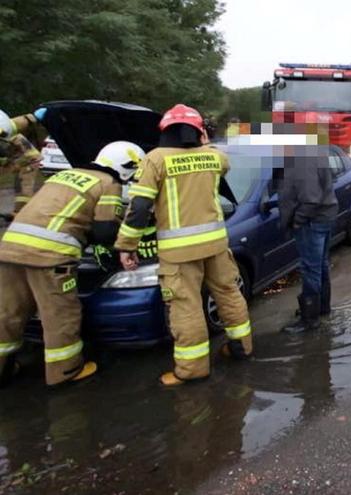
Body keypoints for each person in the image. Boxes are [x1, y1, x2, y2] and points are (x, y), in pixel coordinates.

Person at [114, 104, 253, 387]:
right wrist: (204, 140)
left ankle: (192, 369)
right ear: (198, 131)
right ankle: (242, 347)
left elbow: (139, 207)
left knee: (185, 305)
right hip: (216, 244)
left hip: (179, 252)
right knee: (229, 293)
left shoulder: (155, 159)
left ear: (165, 130)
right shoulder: (215, 157)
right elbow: (215, 155)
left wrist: (127, 245)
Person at [0, 141, 144, 387]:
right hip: (50, 257)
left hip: (10, 249)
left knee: (7, 313)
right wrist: (126, 242)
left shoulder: (64, 174)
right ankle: (65, 371)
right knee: (60, 314)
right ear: (126, 167)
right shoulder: (109, 183)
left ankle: (3, 369)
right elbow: (105, 231)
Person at [279, 146, 338, 333]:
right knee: (320, 265)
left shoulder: (301, 159)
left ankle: (309, 319)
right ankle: (321, 309)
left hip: (312, 221)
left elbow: (311, 199)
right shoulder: (316, 151)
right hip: (325, 216)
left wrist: (297, 221)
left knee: (310, 268)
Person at [0, 110, 44, 215]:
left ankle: (21, 212)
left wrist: (14, 164)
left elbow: (34, 157)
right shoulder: (9, 127)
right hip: (16, 156)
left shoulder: (10, 132)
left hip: (28, 161)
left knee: (24, 188)